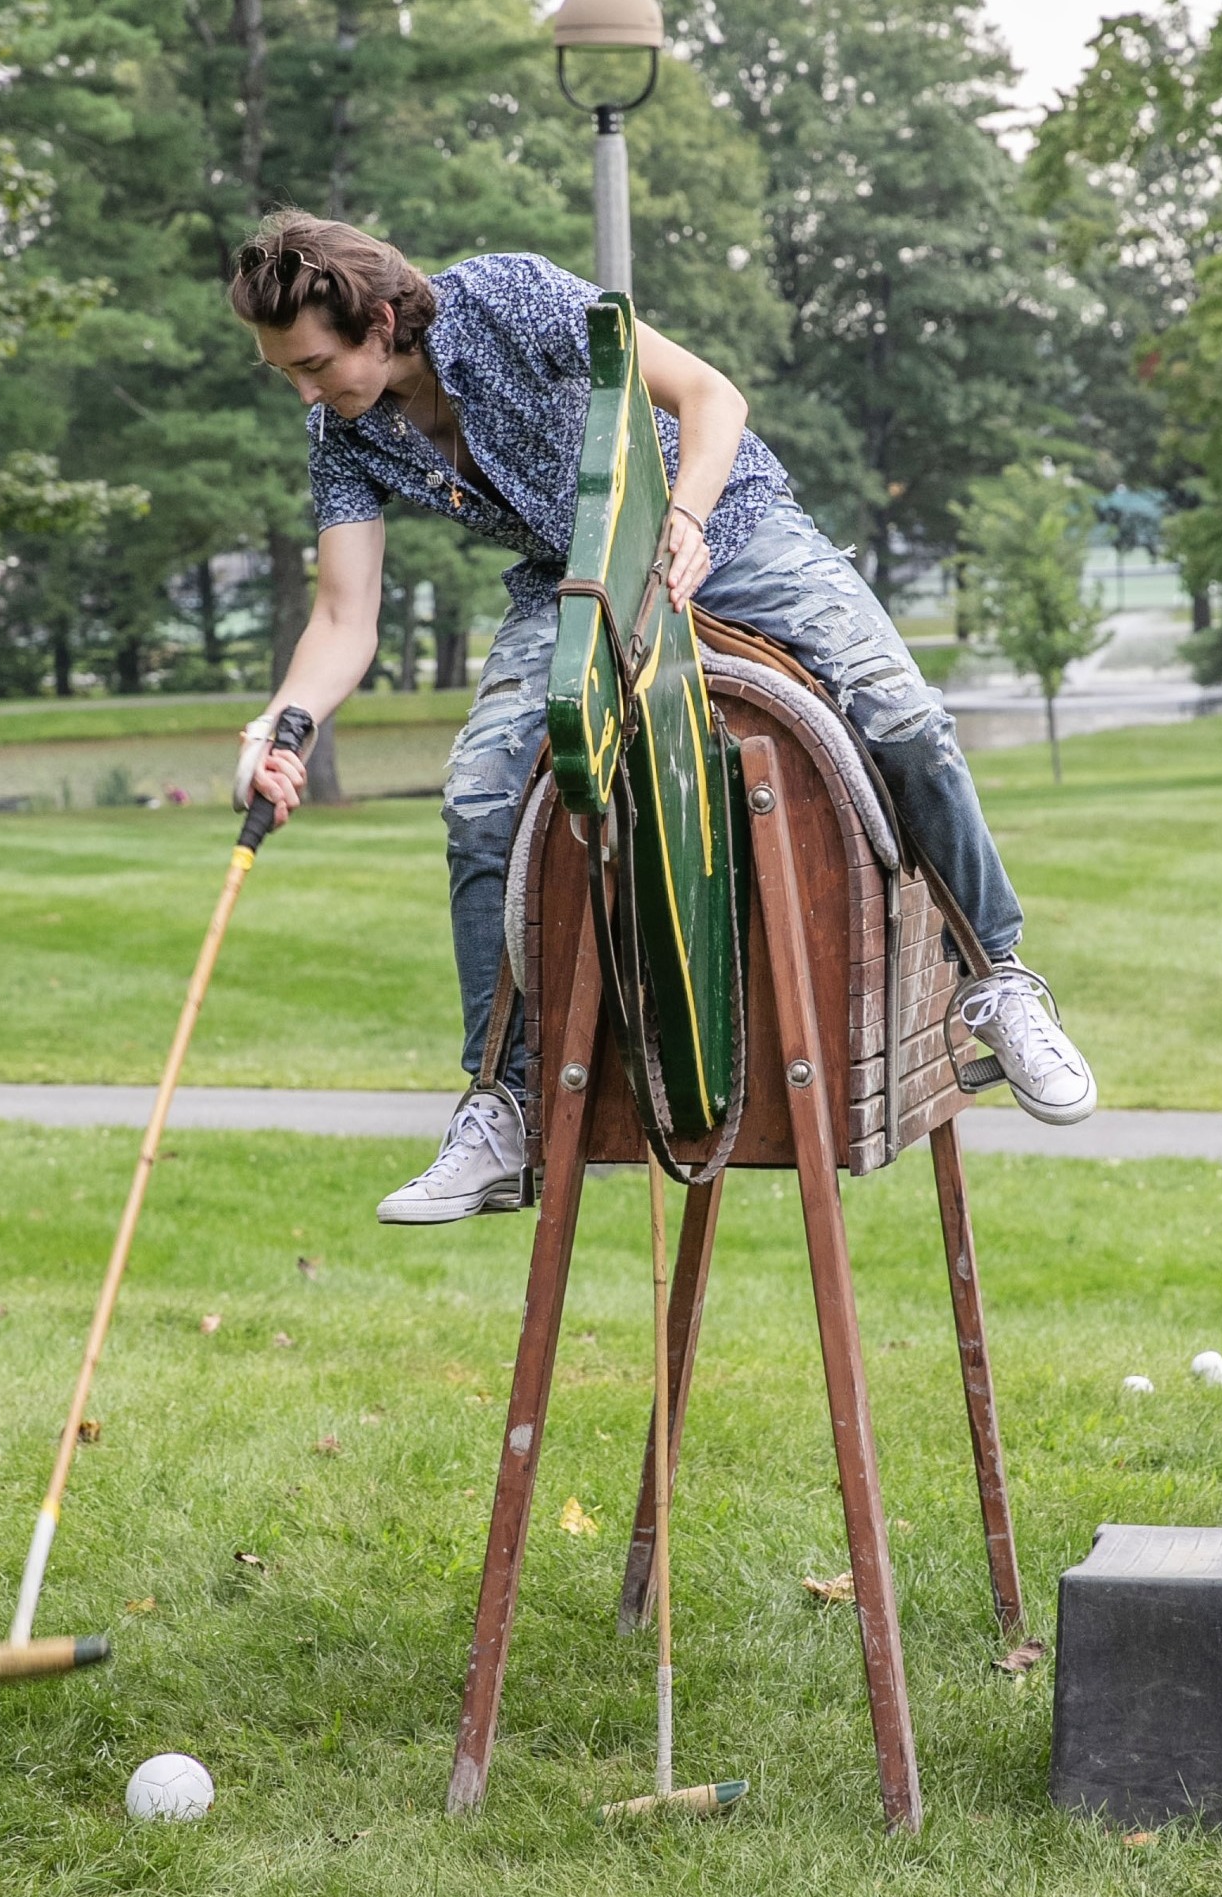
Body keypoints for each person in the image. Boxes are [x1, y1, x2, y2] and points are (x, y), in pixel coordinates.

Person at [229, 211, 1096, 1226]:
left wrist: (682, 516)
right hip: (574, 579)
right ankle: (502, 1107)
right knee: (475, 801)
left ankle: (1000, 981)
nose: (306, 390)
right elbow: (342, 615)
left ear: (379, 321)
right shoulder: (342, 433)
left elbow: (709, 394)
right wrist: (281, 724)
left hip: (729, 525)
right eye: (286, 371)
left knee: (904, 718)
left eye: (316, 364)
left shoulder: (507, 298)